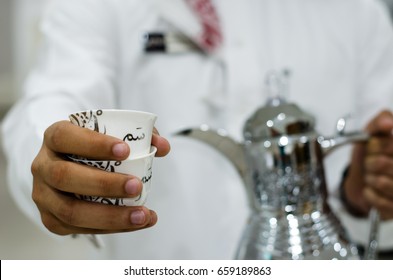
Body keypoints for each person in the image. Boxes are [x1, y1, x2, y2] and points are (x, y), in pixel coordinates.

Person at [2, 0, 393, 259]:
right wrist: (50, 164)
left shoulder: (356, 11)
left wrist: (361, 190)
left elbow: (375, 152)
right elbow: (50, 100)